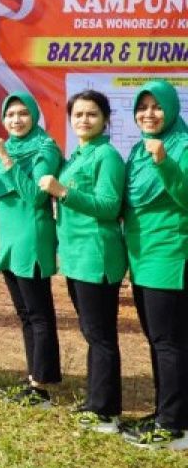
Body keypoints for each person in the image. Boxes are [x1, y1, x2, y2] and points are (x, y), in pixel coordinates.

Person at [38, 90, 126, 433]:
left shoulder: (107, 156)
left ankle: (106, 412)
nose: (84, 120)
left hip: (97, 255)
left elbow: (109, 206)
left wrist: (63, 193)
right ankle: (96, 402)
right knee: (93, 333)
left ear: (105, 120)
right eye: (78, 115)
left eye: (92, 114)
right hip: (77, 256)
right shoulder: (79, 153)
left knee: (101, 335)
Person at [119, 81, 188, 449]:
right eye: (142, 107)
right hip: (142, 259)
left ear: (171, 109)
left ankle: (174, 426)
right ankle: (166, 412)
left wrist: (165, 163)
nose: (149, 113)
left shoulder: (180, 146)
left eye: (156, 106)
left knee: (169, 342)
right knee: (158, 340)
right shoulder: (137, 152)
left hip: (171, 256)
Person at [0, 91, 63, 406]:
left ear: (34, 116)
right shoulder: (8, 148)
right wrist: (5, 157)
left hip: (31, 238)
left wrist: (7, 160)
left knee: (39, 313)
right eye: (10, 115)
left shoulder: (45, 149)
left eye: (23, 114)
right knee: (25, 313)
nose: (16, 120)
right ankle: (36, 376)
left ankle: (40, 387)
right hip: (9, 240)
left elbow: (35, 196)